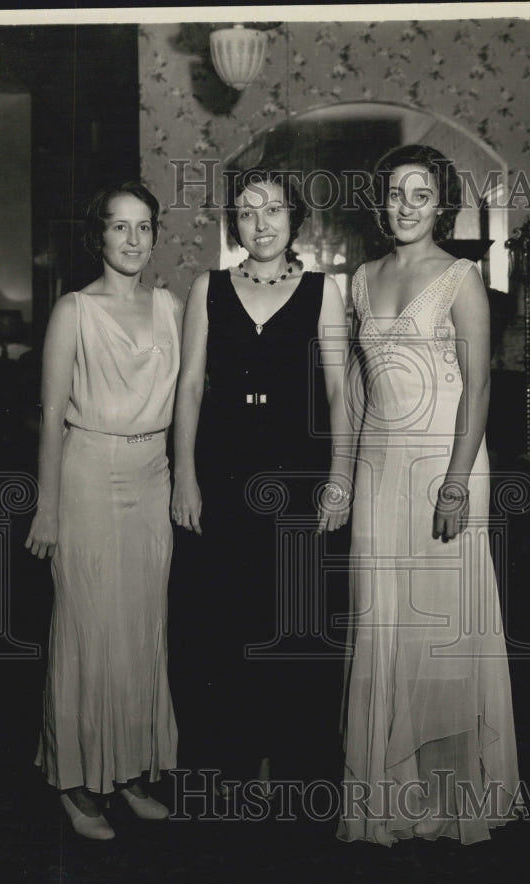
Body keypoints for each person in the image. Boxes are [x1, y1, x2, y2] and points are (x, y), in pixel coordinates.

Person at [337, 146, 521, 846]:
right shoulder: (361, 278)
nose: (405, 205)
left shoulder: (460, 279)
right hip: (379, 471)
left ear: (440, 204)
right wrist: (344, 478)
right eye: (394, 193)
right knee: (383, 622)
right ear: (379, 203)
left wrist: (453, 484)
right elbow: (357, 392)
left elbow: (479, 389)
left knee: (440, 630)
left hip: (444, 468)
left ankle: (449, 799)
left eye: (420, 193)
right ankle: (390, 797)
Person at [170, 168, 351, 792]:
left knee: (295, 617)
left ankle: (296, 762)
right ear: (234, 224)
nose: (262, 222)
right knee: (225, 617)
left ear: (294, 219)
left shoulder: (325, 291)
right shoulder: (208, 288)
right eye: (247, 213)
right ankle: (234, 759)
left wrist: (340, 477)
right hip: (222, 472)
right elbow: (190, 385)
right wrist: (184, 477)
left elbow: (337, 389)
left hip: (298, 474)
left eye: (273, 209)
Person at [26, 181, 183, 840]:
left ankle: (126, 772)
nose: (132, 239)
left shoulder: (172, 307)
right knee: (87, 628)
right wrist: (47, 506)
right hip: (87, 470)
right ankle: (74, 781)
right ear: (99, 236)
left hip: (153, 473)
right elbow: (50, 416)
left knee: (141, 629)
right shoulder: (74, 310)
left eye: (143, 227)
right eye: (119, 227)